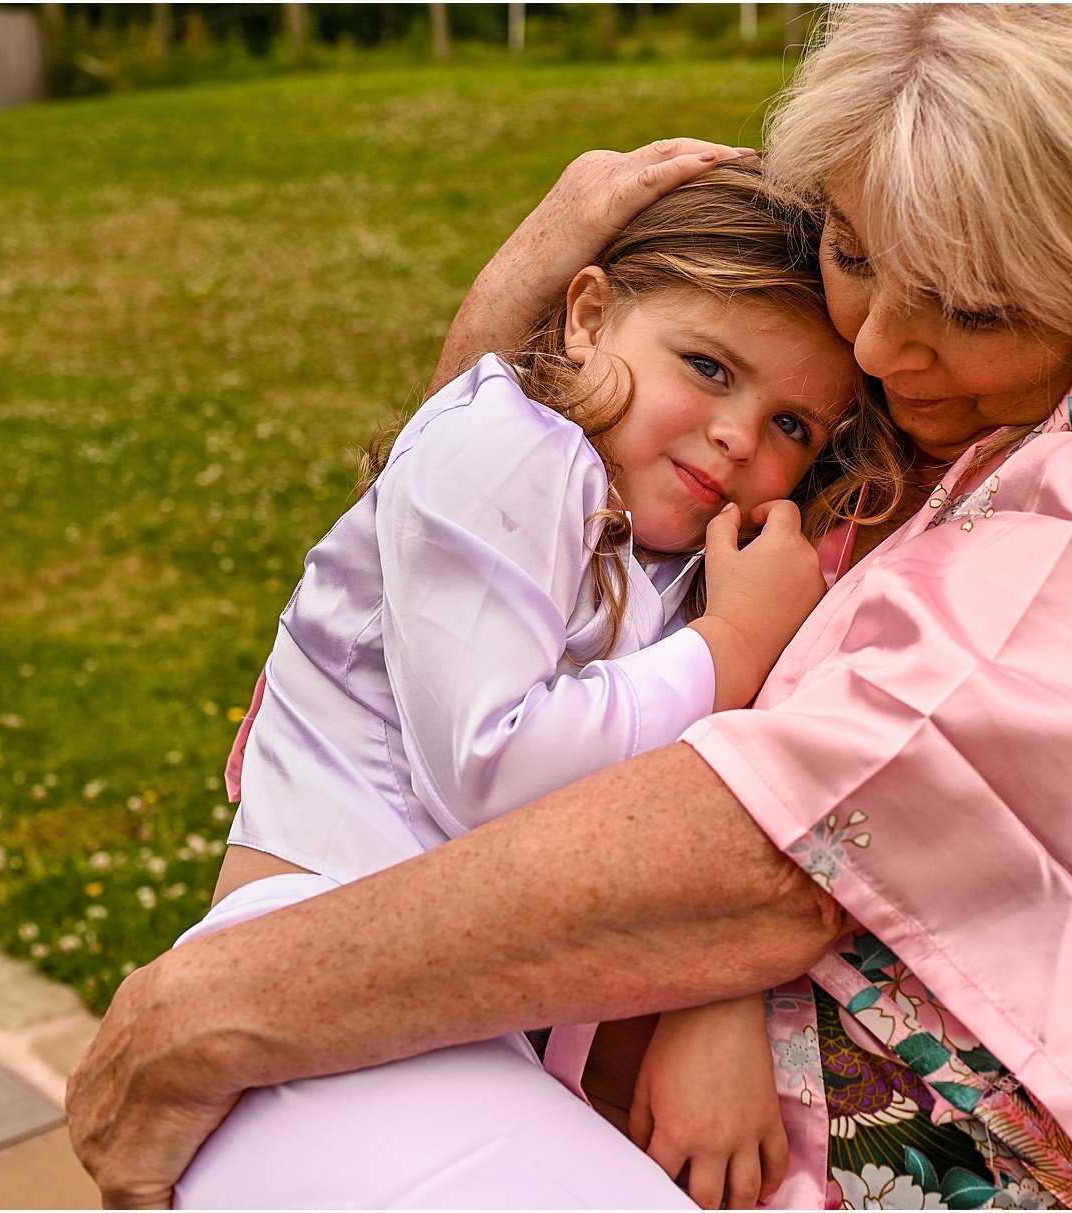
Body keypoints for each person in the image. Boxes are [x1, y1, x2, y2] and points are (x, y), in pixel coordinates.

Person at [68, 6, 1072, 1210]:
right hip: (576, 1047)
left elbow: (795, 830)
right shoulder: (933, 404)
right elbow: (518, 608)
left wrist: (218, 1009)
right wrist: (511, 331)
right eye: (853, 250)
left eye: (969, 309)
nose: (875, 345)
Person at [188, 160, 901, 1208]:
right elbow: (494, 770)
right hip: (300, 984)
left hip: (435, 1018)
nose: (740, 435)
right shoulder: (507, 445)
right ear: (586, 315)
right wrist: (732, 646)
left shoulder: (672, 562)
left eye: (792, 424)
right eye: (707, 367)